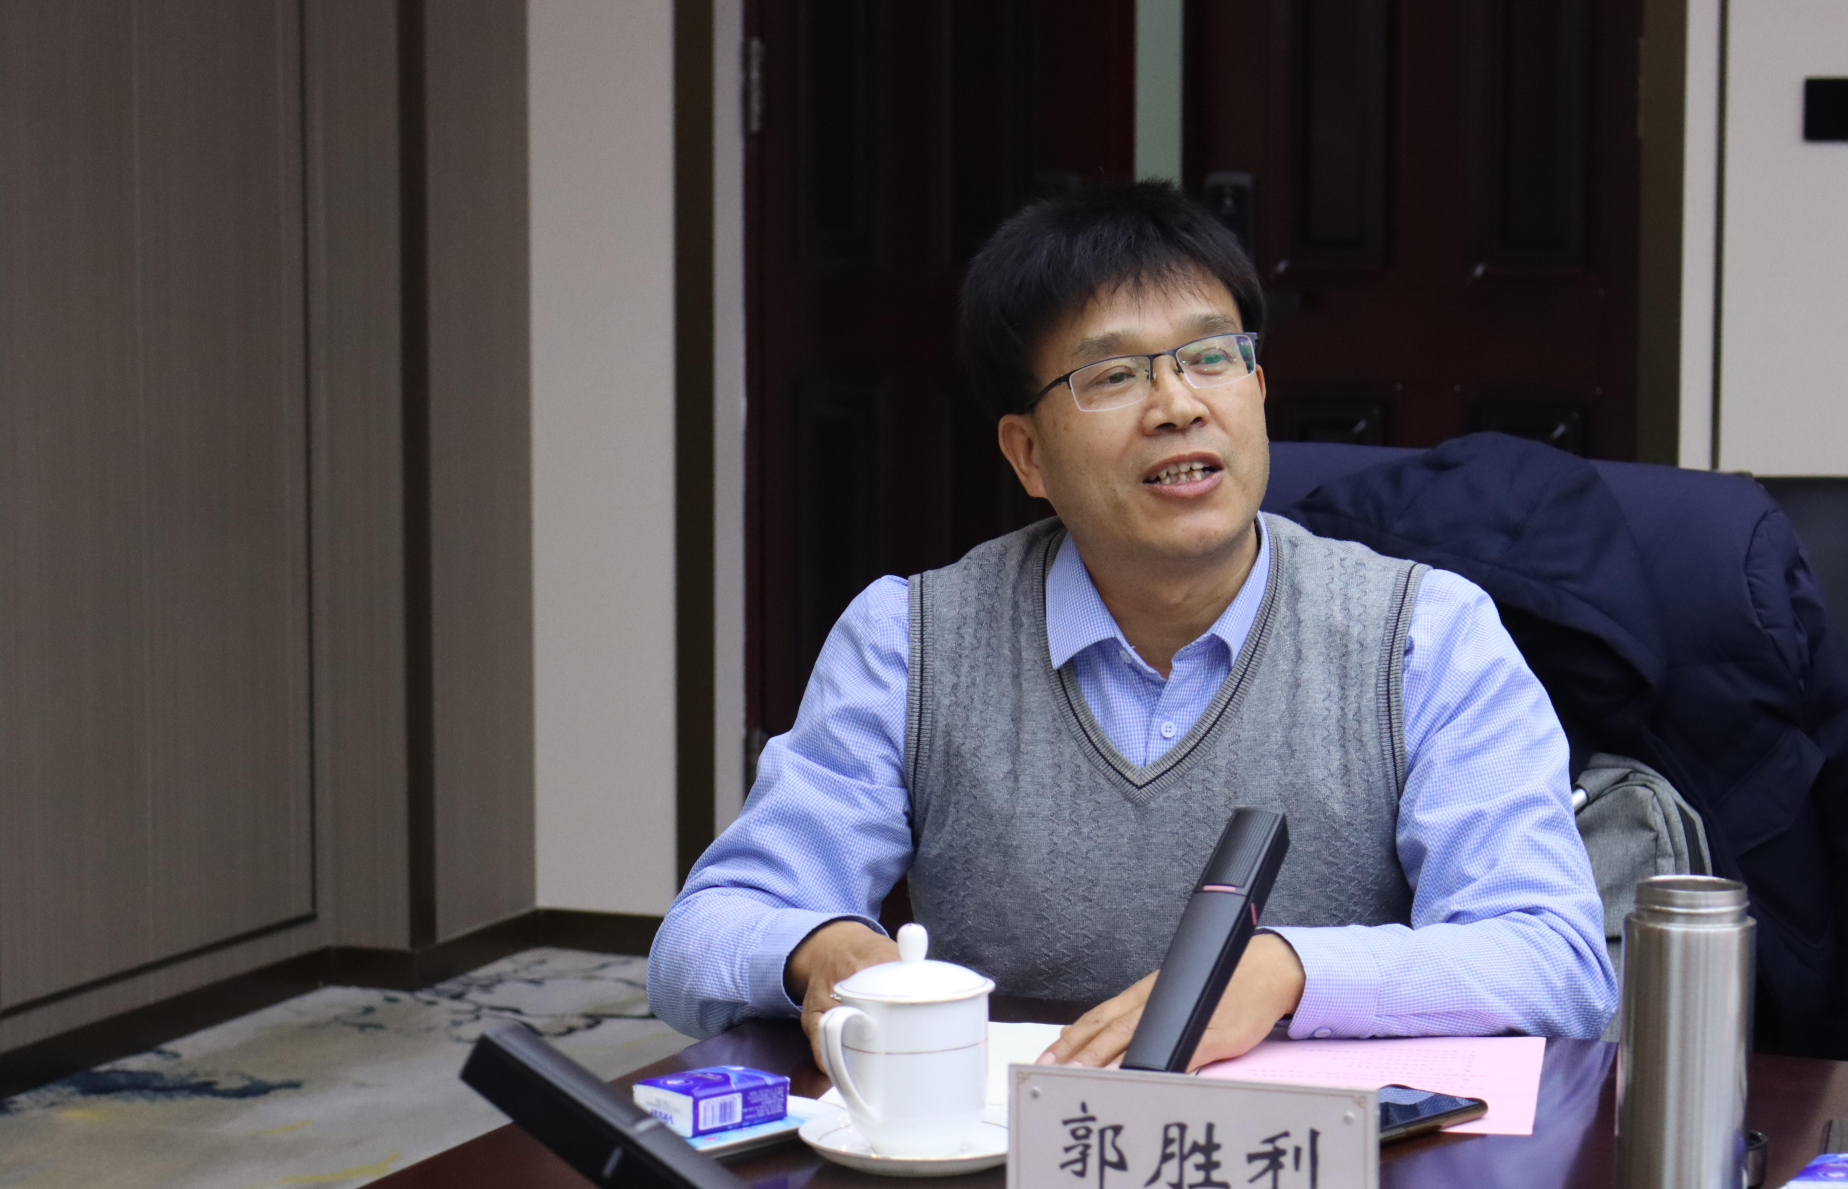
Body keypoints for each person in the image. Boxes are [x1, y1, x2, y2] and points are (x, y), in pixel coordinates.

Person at [648, 182, 1614, 1069]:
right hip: (1014, 1154)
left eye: (1211, 356)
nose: (1179, 405)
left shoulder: (1422, 634)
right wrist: (819, 946)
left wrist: (1288, 972)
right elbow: (701, 937)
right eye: (1113, 375)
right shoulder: (911, 642)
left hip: (1327, 1170)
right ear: (1028, 455)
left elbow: (1555, 958)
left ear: (1258, 392)